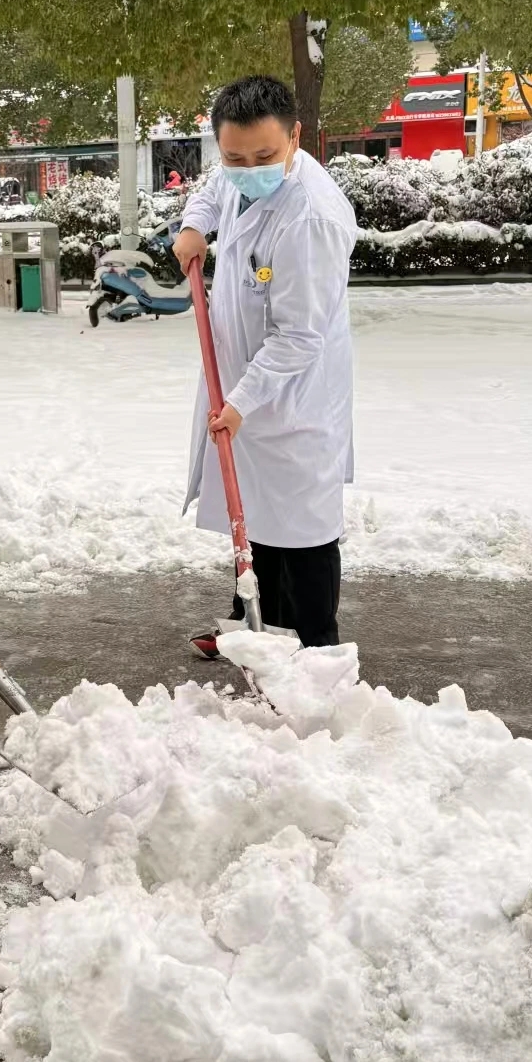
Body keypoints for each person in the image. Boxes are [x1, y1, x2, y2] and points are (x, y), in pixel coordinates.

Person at [173, 75, 357, 653]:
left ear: (295, 136)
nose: (248, 168)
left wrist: (241, 401)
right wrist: (194, 227)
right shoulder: (236, 171)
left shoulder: (311, 219)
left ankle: (316, 650)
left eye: (263, 156)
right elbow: (213, 189)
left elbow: (299, 337)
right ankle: (250, 628)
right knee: (252, 512)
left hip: (293, 396)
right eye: (235, 157)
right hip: (245, 384)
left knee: (301, 527)